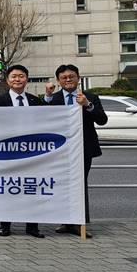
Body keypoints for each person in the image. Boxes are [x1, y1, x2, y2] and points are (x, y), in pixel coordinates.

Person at [0, 64, 46, 238]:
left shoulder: (35, 100)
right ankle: (5, 225)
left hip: (31, 152)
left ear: (27, 79)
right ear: (8, 80)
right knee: (8, 188)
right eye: (14, 76)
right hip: (8, 151)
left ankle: (32, 226)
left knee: (31, 188)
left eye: (21, 76)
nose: (17, 79)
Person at [45, 64, 107, 238]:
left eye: (71, 76)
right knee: (62, 185)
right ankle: (65, 221)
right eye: (64, 77)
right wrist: (48, 98)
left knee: (80, 185)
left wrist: (87, 105)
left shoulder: (90, 97)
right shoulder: (53, 98)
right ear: (58, 81)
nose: (68, 80)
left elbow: (102, 120)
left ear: (78, 78)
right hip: (59, 151)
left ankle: (80, 223)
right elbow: (43, 119)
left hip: (84, 149)